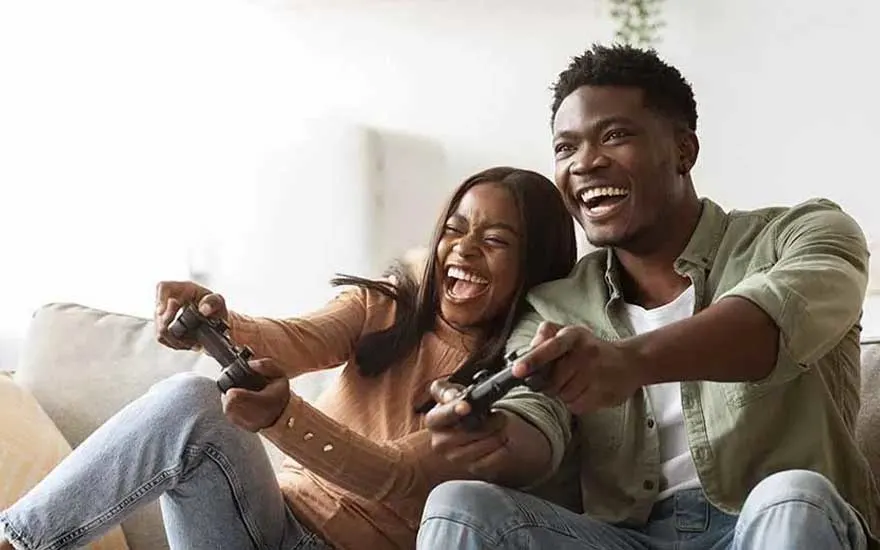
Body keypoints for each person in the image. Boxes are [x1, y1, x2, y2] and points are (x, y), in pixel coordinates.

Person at [417, 44, 880, 549]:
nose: (585, 163)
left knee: (795, 495)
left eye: (614, 136)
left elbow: (774, 321)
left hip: (770, 527)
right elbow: (535, 420)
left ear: (685, 150)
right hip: (624, 540)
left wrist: (629, 363)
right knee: (459, 506)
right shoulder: (554, 305)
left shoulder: (804, 235)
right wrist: (493, 435)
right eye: (565, 148)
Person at [0, 166, 577, 550]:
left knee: (200, 402)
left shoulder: (505, 387)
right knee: (191, 398)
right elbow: (295, 339)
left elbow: (392, 477)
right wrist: (213, 320)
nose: (465, 249)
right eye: (455, 229)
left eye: (496, 241)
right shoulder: (385, 305)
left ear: (536, 265)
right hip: (257, 521)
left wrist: (283, 418)